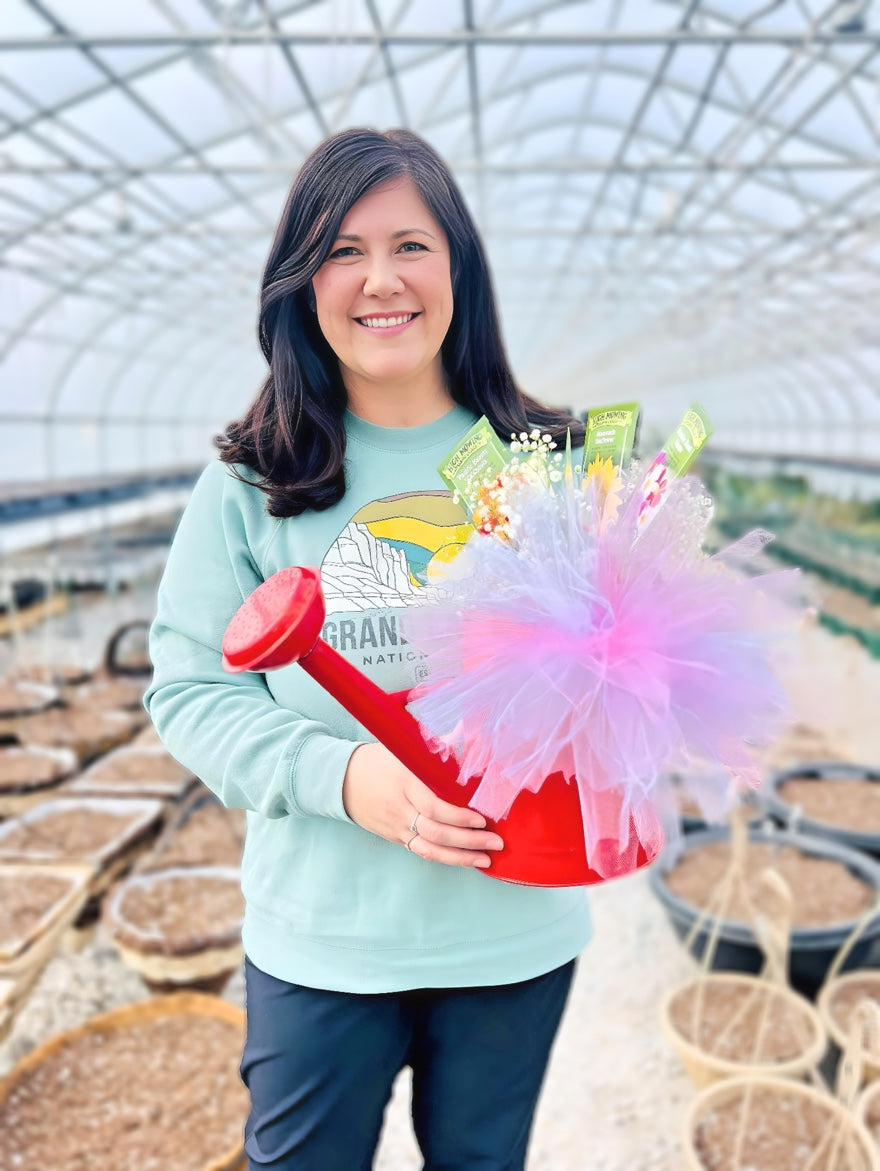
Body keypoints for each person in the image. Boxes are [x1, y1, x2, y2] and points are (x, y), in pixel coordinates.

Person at [146, 126, 591, 1171]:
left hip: (511, 933)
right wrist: (345, 777)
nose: (379, 279)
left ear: (459, 270)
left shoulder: (544, 467)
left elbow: (620, 674)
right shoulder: (255, 479)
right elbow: (192, 689)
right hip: (323, 940)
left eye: (411, 245)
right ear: (299, 284)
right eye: (342, 250)